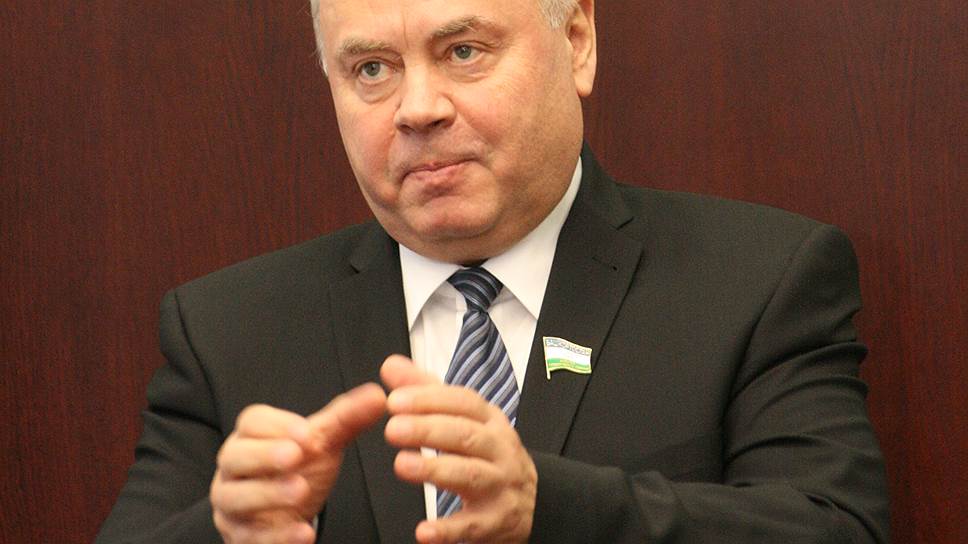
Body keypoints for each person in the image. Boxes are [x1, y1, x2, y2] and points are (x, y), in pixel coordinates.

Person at [97, 0, 890, 542]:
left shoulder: (758, 282)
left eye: (463, 52)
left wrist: (554, 507)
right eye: (371, 69)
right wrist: (224, 532)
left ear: (577, 40)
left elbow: (835, 528)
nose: (417, 108)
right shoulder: (226, 330)